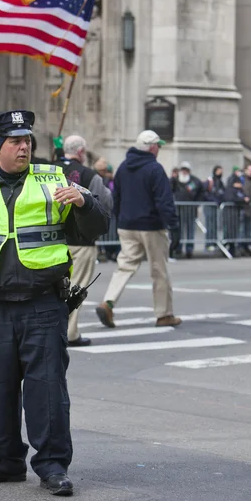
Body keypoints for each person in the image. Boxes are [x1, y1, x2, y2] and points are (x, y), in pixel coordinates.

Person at [0, 110, 109, 496]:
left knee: (46, 390)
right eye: (15, 141)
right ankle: (6, 460)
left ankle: (52, 466)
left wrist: (84, 202)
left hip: (42, 303)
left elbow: (95, 228)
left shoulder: (54, 181)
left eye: (27, 140)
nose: (24, 146)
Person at [95, 130, 181, 329]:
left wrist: (119, 217)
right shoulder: (155, 168)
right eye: (158, 145)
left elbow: (116, 197)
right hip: (151, 226)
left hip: (127, 225)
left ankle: (108, 302)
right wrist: (174, 225)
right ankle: (164, 314)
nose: (159, 148)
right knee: (159, 270)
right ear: (152, 147)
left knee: (124, 266)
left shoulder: (123, 167)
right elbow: (164, 201)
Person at [60, 135, 112, 346]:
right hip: (81, 240)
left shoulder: (47, 170)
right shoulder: (89, 175)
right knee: (76, 287)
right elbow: (104, 204)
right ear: (81, 152)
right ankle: (70, 333)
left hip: (52, 239)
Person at [170, 161, 204, 259]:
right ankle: (178, 248)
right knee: (178, 230)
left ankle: (189, 249)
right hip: (178, 209)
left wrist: (196, 204)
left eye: (186, 170)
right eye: (183, 170)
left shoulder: (195, 181)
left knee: (190, 230)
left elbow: (201, 192)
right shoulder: (175, 180)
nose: (184, 172)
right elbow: (169, 189)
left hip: (190, 210)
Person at [202, 165, 226, 250]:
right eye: (219, 170)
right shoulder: (210, 180)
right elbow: (204, 193)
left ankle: (214, 242)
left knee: (215, 225)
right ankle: (209, 243)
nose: (220, 172)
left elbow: (223, 192)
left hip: (216, 206)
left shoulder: (220, 182)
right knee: (210, 224)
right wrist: (212, 201)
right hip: (209, 205)